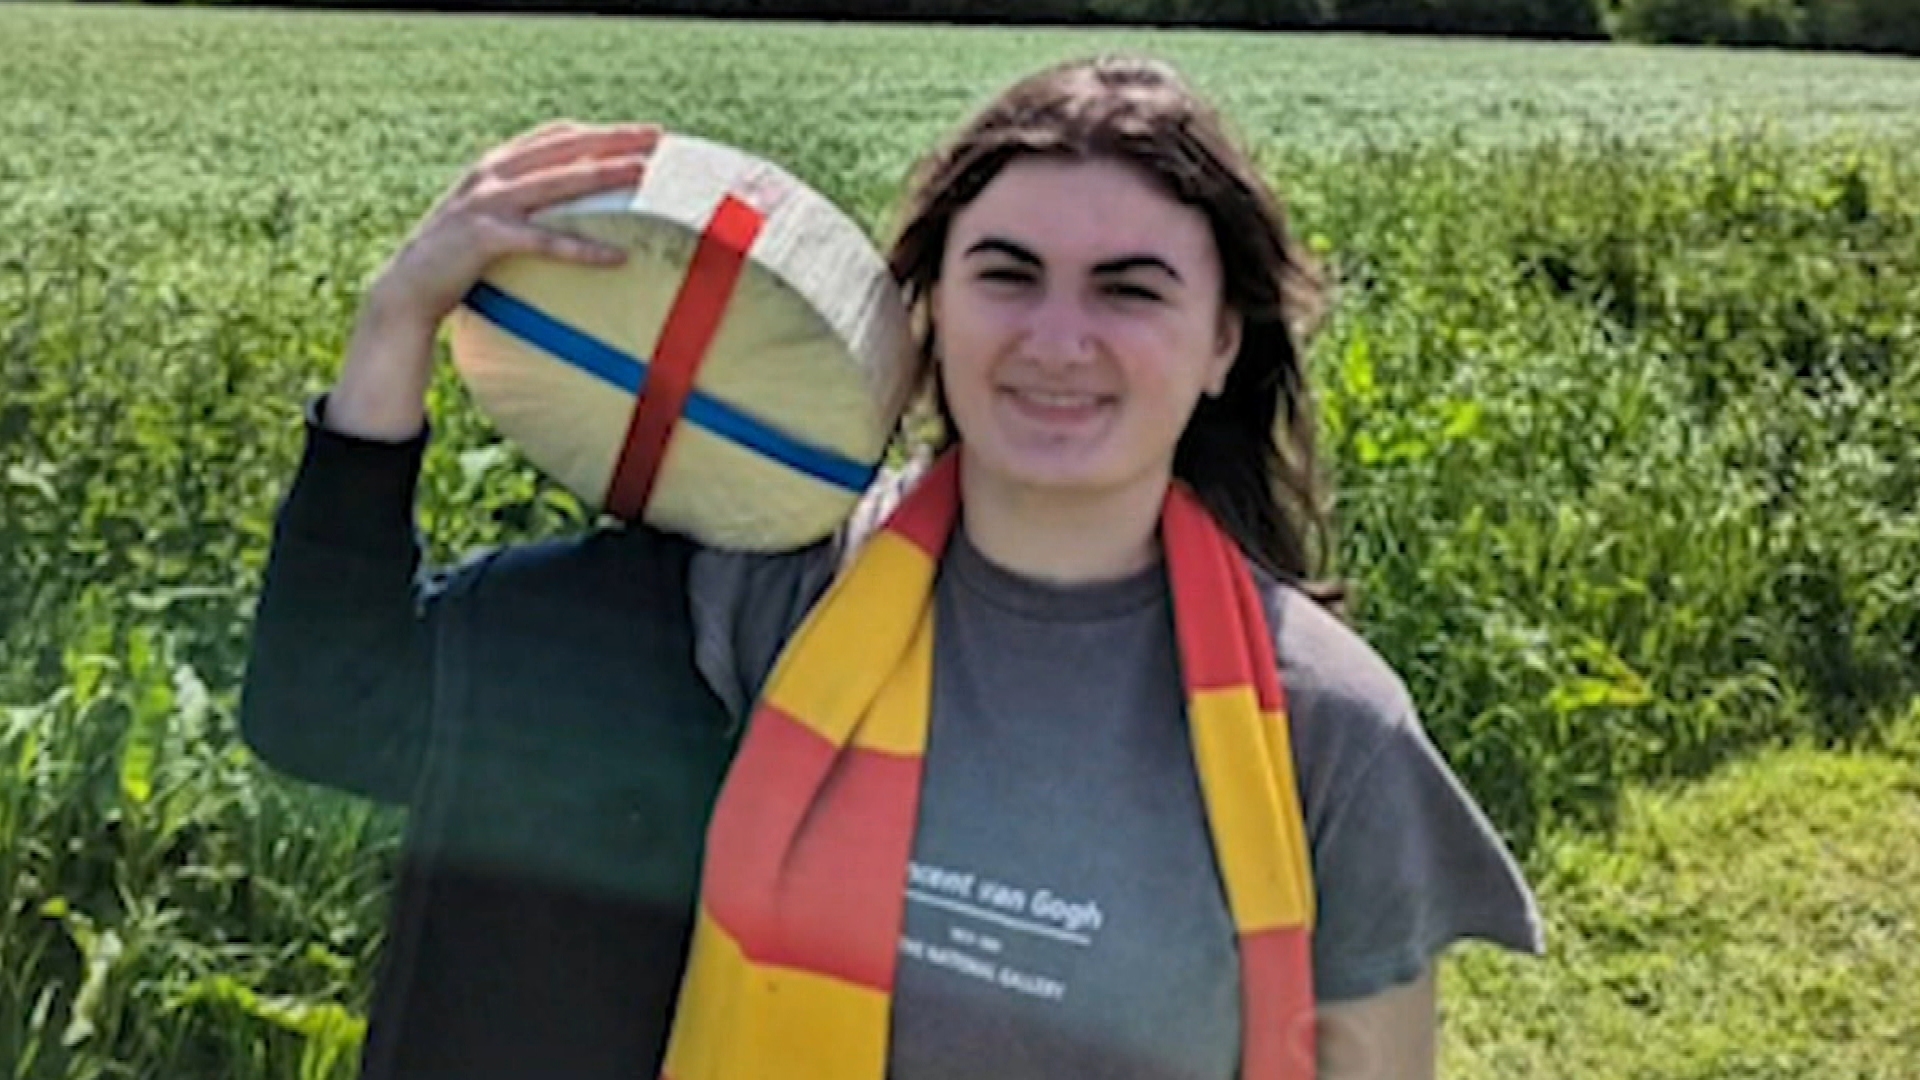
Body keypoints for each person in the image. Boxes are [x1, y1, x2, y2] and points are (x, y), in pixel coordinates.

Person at [241, 53, 1542, 1080]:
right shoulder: (761, 599)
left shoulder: (1326, 730)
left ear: (1220, 346)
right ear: (925, 321)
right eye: (1007, 274)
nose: (1057, 337)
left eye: (1131, 290)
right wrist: (397, 322)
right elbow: (329, 705)